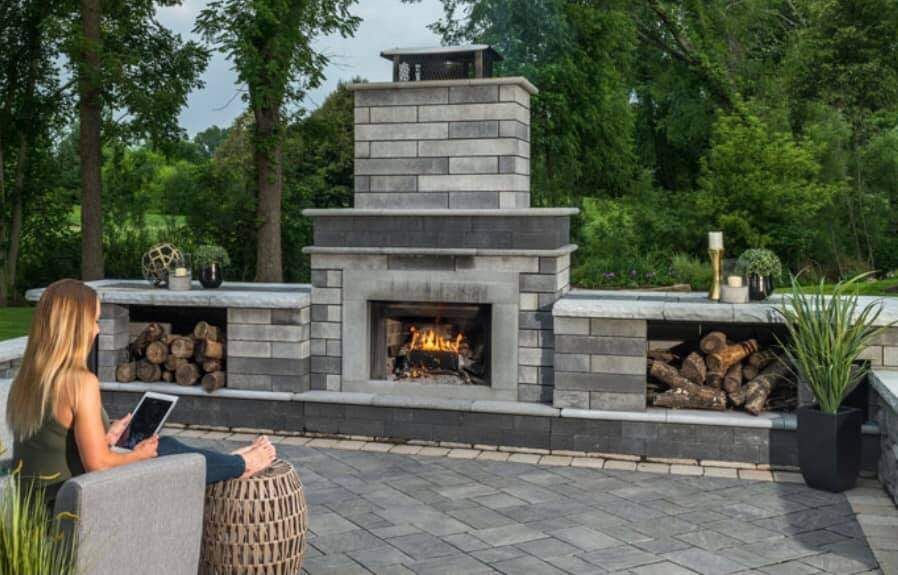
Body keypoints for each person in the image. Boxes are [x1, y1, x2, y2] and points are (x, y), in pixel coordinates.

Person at [7, 278, 276, 505]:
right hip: (74, 508)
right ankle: (241, 465)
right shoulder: (79, 382)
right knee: (162, 449)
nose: (97, 330)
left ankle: (228, 463)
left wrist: (107, 438)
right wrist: (139, 456)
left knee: (159, 447)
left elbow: (55, 445)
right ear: (76, 327)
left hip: (35, 508)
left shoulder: (28, 378)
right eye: (95, 320)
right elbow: (98, 466)